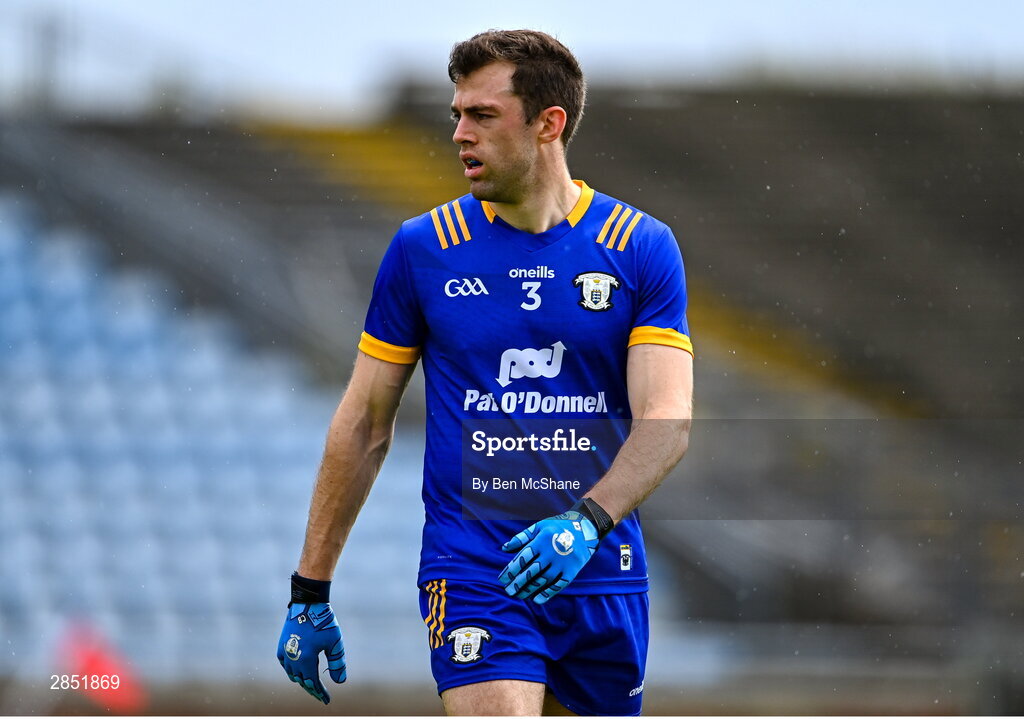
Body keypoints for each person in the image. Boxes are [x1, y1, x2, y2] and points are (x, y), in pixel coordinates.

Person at [277, 29, 693, 716]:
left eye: (482, 115)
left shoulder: (639, 247)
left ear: (547, 124)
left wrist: (585, 523)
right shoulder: (424, 249)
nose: (459, 134)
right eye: (456, 115)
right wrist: (309, 588)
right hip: (476, 571)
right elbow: (364, 424)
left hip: (601, 576)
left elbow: (667, 420)